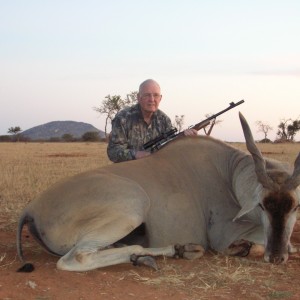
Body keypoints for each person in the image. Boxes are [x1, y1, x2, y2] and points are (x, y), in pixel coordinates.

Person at [107, 79, 197, 163]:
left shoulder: (164, 120)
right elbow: (113, 152)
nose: (152, 99)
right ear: (138, 97)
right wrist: (138, 155)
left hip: (155, 169)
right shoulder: (123, 118)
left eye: (156, 95)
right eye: (147, 95)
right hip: (129, 170)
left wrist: (183, 139)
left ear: (160, 98)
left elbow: (170, 148)